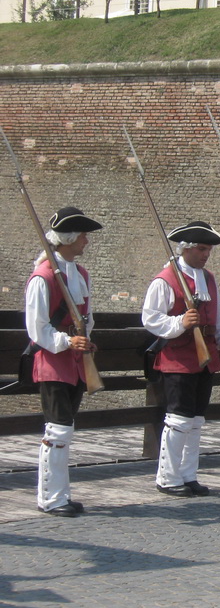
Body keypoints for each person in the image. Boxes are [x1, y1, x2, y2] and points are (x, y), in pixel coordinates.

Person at [143, 221, 220, 498]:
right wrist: (180, 322)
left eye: (209, 249)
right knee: (178, 418)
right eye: (202, 248)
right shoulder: (166, 279)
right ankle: (168, 476)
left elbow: (216, 316)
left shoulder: (209, 278)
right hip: (179, 356)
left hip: (205, 356)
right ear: (188, 248)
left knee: (195, 420)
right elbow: (151, 318)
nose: (207, 254)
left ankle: (188, 474)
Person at [28, 207, 102, 517]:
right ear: (69, 238)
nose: (86, 240)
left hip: (76, 359)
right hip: (54, 361)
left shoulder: (80, 273)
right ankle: (51, 497)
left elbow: (87, 316)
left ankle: (61, 494)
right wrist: (67, 341)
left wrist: (84, 338)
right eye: (83, 235)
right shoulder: (43, 276)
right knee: (57, 430)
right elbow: (37, 328)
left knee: (66, 428)